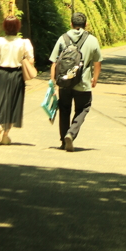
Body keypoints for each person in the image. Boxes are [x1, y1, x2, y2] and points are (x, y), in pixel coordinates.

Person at [49, 12, 102, 151]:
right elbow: (97, 63)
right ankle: (71, 133)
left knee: (64, 110)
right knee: (83, 108)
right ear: (86, 24)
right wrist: (95, 79)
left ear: (71, 24)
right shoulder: (92, 40)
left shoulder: (63, 38)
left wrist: (53, 83)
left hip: (64, 82)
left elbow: (54, 62)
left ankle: (63, 141)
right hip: (83, 83)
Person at [0, 14, 35, 145]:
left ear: (4, 27)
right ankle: (5, 134)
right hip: (16, 75)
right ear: (18, 27)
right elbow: (31, 60)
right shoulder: (24, 43)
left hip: (1, 74)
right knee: (13, 104)